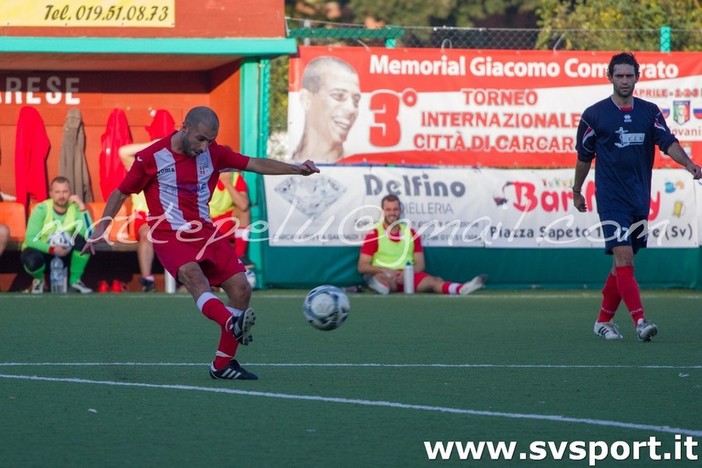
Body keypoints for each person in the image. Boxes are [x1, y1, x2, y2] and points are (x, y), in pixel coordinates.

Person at [82, 106, 319, 380]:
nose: (204, 146)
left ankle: (222, 365)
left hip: (205, 231)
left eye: (210, 140)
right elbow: (121, 192)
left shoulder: (214, 153)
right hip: (168, 232)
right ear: (184, 127)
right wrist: (101, 228)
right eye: (201, 138)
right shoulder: (151, 156)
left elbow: (255, 163)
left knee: (241, 289)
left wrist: (298, 169)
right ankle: (231, 322)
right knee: (194, 278)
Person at [572, 52, 702, 342]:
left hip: (639, 199)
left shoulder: (649, 112)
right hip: (611, 199)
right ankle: (640, 321)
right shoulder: (594, 115)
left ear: (637, 78)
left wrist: (689, 164)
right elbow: (584, 156)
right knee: (624, 256)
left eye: (629, 75)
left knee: (622, 265)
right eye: (619, 75)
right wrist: (577, 190)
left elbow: (667, 142)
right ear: (610, 78)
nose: (624, 80)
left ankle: (603, 322)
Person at [358, 194, 487, 295]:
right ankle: (381, 287)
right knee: (381, 279)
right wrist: (384, 270)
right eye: (388, 209)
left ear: (400, 210)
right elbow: (362, 266)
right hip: (387, 276)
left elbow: (420, 264)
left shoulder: (411, 233)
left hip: (409, 276)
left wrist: (407, 274)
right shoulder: (374, 234)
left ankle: (460, 289)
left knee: (434, 281)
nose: (392, 213)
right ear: (382, 212)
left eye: (395, 209)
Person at [21, 176, 94, 294]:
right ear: (51, 193)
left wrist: (82, 207)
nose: (61, 196)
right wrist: (52, 249)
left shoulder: (75, 208)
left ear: (70, 192)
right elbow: (30, 239)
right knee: (31, 260)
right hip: (44, 252)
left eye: (65, 191)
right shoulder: (41, 209)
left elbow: (90, 234)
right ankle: (40, 280)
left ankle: (74, 281)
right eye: (57, 192)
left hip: (66, 253)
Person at [291, 56, 360, 163]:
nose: (351, 109)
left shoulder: (358, 167)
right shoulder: (283, 160)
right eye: (338, 96)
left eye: (356, 101)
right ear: (306, 99)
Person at [209, 167, 254, 269]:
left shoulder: (236, 177)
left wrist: (227, 182)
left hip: (228, 219)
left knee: (244, 211)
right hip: (210, 221)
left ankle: (240, 255)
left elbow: (243, 205)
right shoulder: (207, 179)